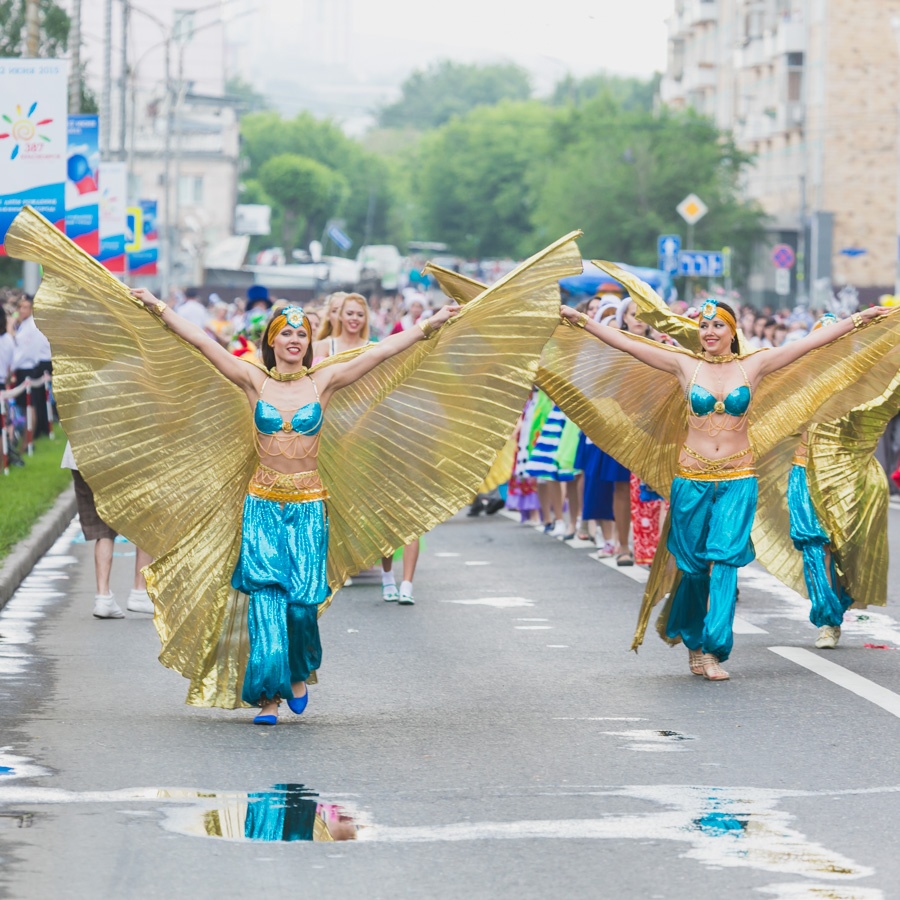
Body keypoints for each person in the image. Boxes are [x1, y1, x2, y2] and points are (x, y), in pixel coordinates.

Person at [128, 292, 460, 723]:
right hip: (262, 504)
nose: (295, 340)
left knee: (301, 604)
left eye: (301, 334)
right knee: (266, 600)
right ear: (272, 338)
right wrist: (160, 308)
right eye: (286, 333)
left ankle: (300, 669)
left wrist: (428, 324)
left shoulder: (324, 382)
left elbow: (381, 353)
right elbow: (202, 342)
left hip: (308, 505)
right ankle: (269, 696)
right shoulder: (252, 380)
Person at [558, 281, 895, 682]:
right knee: (695, 567)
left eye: (718, 325)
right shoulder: (684, 365)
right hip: (691, 478)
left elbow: (808, 346)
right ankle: (695, 644)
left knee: (724, 559)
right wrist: (582, 320)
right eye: (704, 326)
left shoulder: (754, 365)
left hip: (738, 477)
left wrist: (859, 320)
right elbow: (627, 344)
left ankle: (714, 648)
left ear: (732, 331)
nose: (710, 332)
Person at [61, 441, 154, 617]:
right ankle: (140, 591)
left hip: (83, 454)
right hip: (125, 451)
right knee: (146, 518)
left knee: (102, 527)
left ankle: (103, 597)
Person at [11, 294, 52, 437]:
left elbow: (23, 352)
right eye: (20, 307)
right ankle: (34, 433)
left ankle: (31, 435)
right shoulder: (25, 324)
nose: (22, 310)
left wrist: (11, 367)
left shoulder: (30, 326)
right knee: (31, 404)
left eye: (25, 307)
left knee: (31, 405)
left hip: (27, 368)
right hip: (29, 366)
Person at [312, 293, 372, 358]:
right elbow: (318, 368)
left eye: (360, 315)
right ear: (340, 315)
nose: (355, 318)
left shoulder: (372, 348)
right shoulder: (324, 346)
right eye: (349, 314)